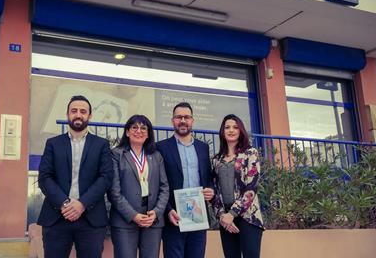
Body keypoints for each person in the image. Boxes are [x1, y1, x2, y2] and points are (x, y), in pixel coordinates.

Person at [38, 95, 114, 258]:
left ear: (90, 116)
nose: (78, 114)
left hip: (91, 219)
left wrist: (82, 204)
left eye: (83, 111)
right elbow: (45, 177)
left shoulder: (101, 144)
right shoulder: (53, 143)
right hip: (57, 216)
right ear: (67, 114)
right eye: (74, 111)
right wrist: (65, 203)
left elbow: (106, 178)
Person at [156, 102, 214, 258]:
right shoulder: (161, 147)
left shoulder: (203, 147)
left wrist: (210, 190)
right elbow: (158, 184)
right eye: (178, 117)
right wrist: (168, 210)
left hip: (198, 215)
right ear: (172, 120)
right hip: (174, 216)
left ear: (192, 121)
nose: (182, 120)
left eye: (186, 117)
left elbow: (208, 177)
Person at [109, 114, 169, 258]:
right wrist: (133, 215)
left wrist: (157, 212)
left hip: (152, 220)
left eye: (143, 128)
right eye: (134, 127)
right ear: (127, 132)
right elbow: (114, 191)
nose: (139, 131)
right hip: (125, 220)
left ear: (148, 134)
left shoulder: (156, 156)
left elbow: (164, 187)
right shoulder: (116, 154)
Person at [212, 114, 264, 258]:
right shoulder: (217, 160)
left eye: (235, 127)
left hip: (248, 217)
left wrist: (232, 214)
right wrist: (223, 215)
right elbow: (215, 191)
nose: (231, 130)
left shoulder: (250, 153)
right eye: (227, 127)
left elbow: (251, 188)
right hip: (226, 220)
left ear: (241, 130)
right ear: (222, 131)